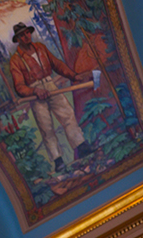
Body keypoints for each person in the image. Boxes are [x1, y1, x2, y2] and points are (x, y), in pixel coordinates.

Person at [9, 23, 93, 174]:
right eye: (22, 35)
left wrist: (73, 76)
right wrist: (35, 90)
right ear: (18, 39)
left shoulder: (40, 48)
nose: (26, 36)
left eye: (27, 33)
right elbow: (19, 86)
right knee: (46, 128)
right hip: (34, 94)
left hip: (50, 84)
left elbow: (57, 64)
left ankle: (81, 146)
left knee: (67, 114)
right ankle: (58, 161)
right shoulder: (16, 60)